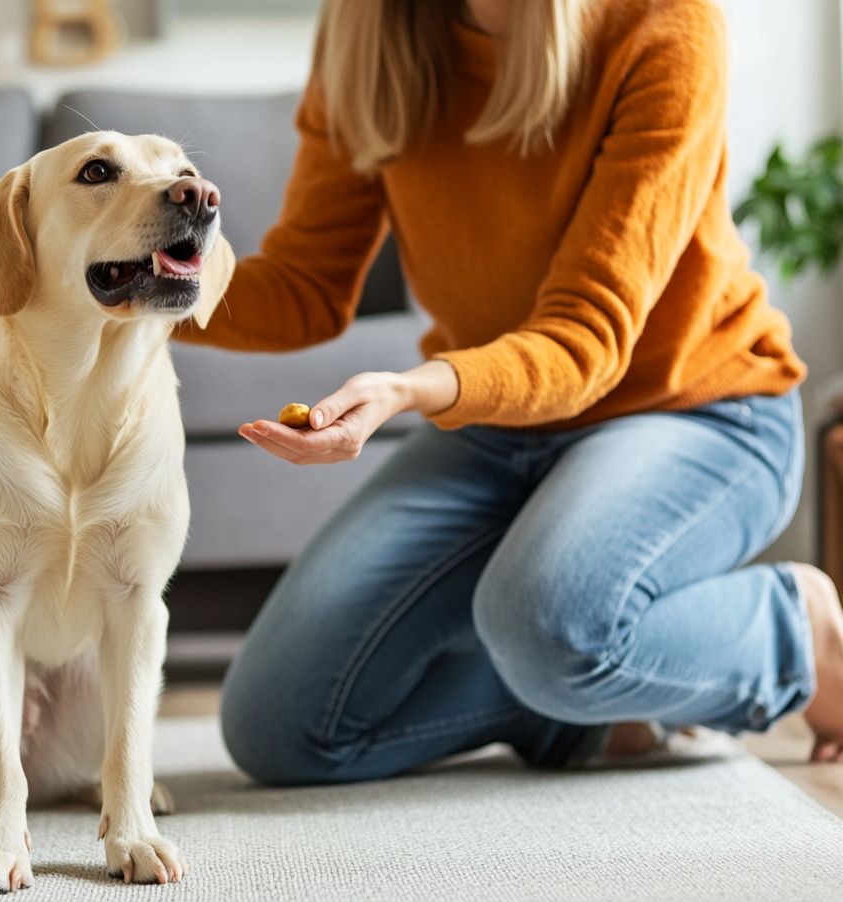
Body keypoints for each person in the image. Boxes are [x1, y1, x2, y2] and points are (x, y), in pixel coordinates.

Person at [176, 0, 843, 783]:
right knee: (279, 725)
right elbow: (306, 285)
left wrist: (416, 388)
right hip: (499, 428)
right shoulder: (367, 30)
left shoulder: (667, 26)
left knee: (548, 626)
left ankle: (793, 631)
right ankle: (578, 704)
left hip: (696, 411)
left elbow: (584, 338)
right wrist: (128, 289)